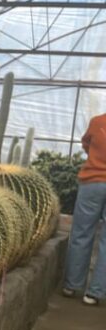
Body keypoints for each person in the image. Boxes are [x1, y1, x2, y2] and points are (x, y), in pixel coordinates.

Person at [62, 114, 106, 306]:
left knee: (81, 233)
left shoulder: (98, 122)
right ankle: (94, 294)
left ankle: (71, 285)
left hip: (92, 182)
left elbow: (86, 144)